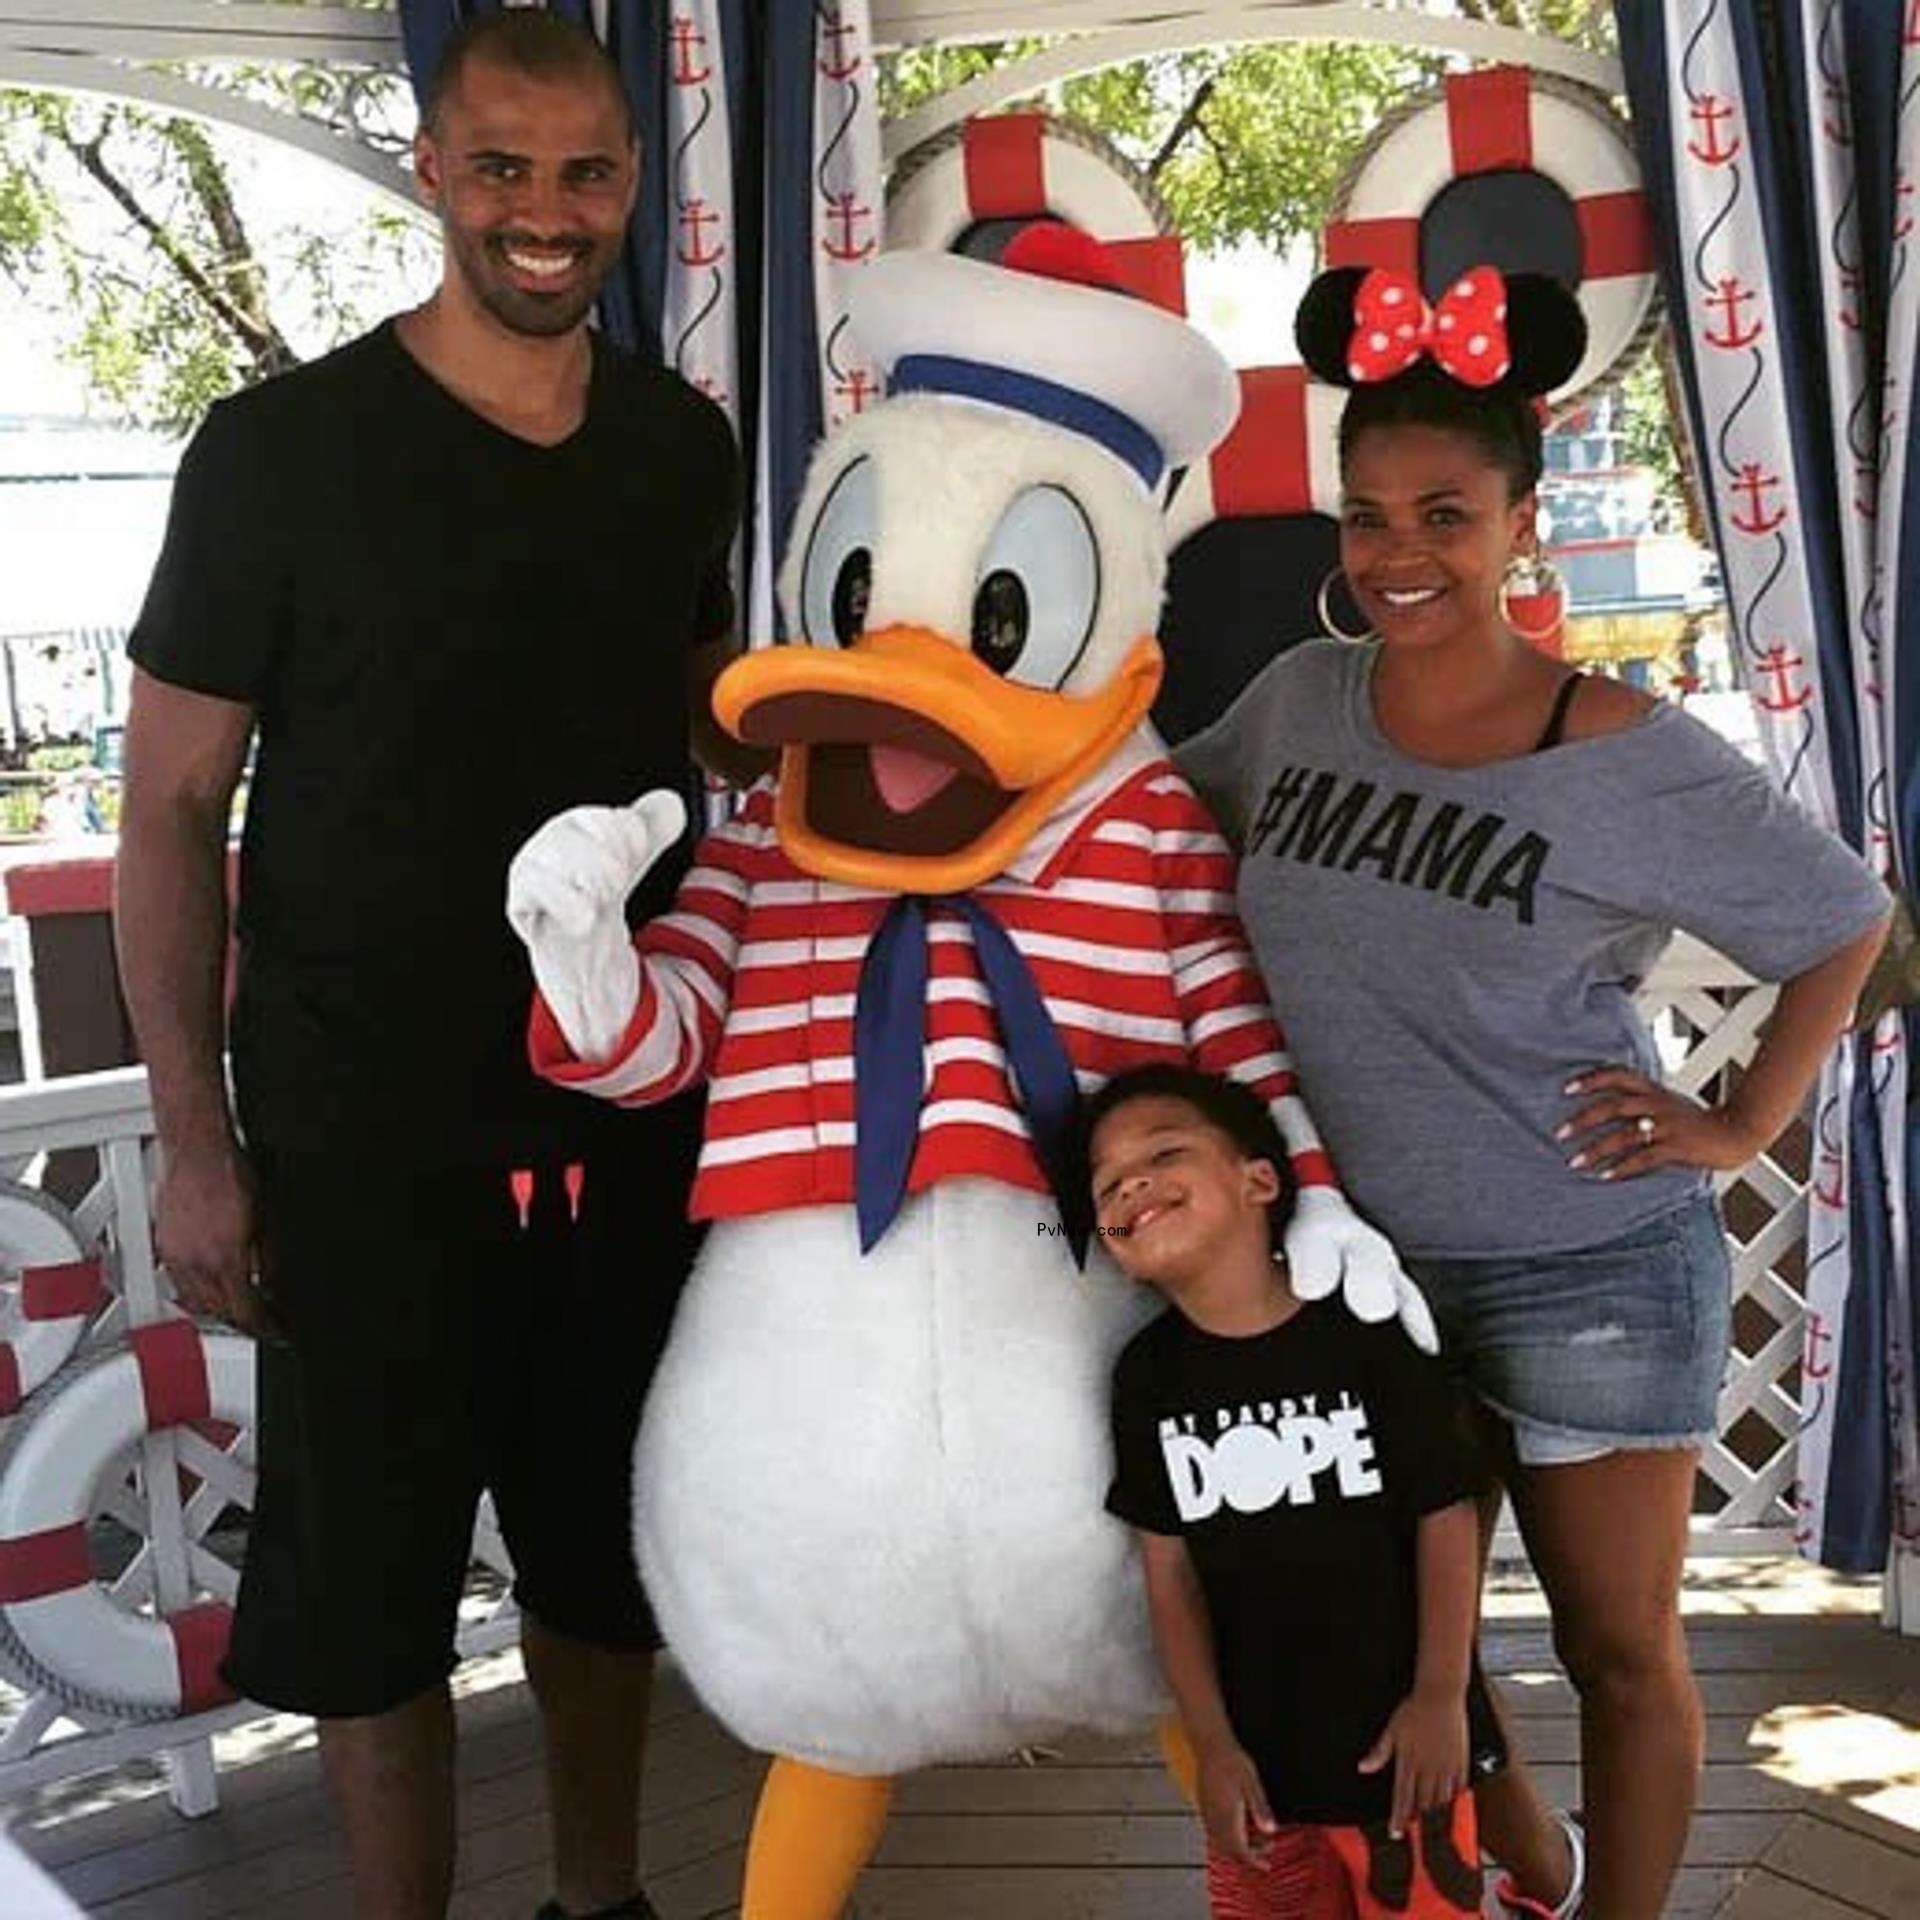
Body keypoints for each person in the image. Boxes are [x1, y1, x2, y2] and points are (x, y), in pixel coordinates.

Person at [112, 14, 740, 1919]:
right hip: (359, 1138)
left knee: (603, 1555)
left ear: (634, 186)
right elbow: (166, 814)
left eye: (586, 174)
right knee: (372, 1596)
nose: (545, 216)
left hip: (631, 1121)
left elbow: (704, 758)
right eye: (502, 169)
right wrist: (196, 1149)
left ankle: (604, 1898)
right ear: (430, 171)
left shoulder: (679, 446)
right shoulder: (274, 453)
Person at [1178, 263, 1892, 1920]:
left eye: (1443, 513)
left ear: (1521, 522)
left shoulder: (1623, 746)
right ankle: (1521, 1847)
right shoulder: (1298, 707)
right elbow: (1154, 831)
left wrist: (1746, 1122)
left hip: (1584, 1262)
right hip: (1358, 1281)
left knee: (1616, 1646)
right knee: (1379, 1626)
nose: (1398, 555)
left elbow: (1847, 922)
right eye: (1366, 518)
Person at [1090, 1063, 1504, 1917]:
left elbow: (1445, 1515)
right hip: (1260, 1776)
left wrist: (1439, 1696)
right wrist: (1211, 1746)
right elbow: (1169, 1576)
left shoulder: (1367, 1335)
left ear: (1260, 1179)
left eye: (1165, 1151)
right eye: (1106, 1181)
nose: (1132, 1181)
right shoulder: (1147, 1379)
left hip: (1402, 1757)